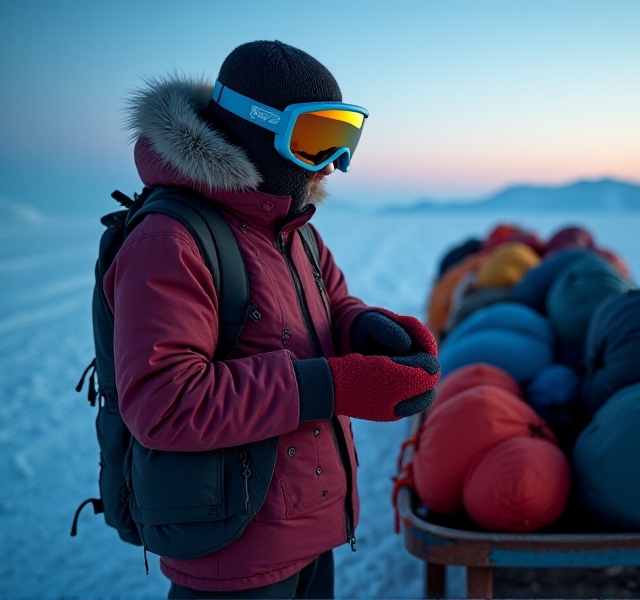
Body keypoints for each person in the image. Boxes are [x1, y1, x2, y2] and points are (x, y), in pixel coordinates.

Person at [104, 40, 440, 598]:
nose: (333, 163)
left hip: (306, 530)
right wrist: (334, 385)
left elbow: (331, 310)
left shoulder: (295, 228)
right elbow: (164, 402)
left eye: (344, 139)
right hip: (232, 549)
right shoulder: (170, 240)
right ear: (255, 128)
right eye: (316, 140)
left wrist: (366, 330)